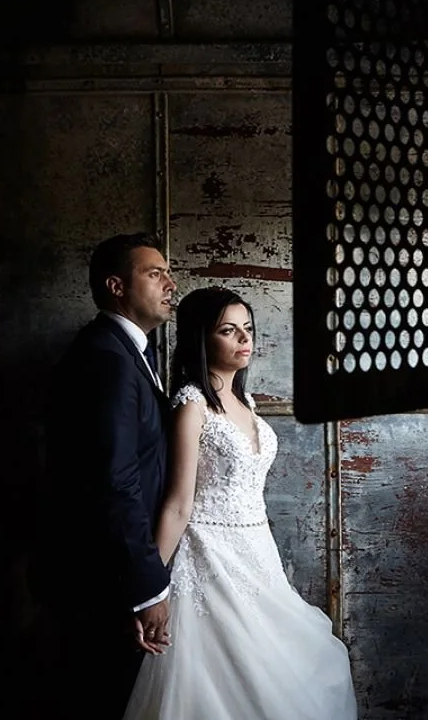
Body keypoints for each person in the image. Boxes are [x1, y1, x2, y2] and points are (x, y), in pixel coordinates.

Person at [124, 286, 358, 720]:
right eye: (228, 330)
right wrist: (149, 586)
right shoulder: (192, 406)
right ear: (201, 338)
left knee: (287, 670)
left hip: (258, 554)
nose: (244, 338)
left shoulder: (244, 401)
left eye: (247, 328)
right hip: (209, 556)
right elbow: (178, 504)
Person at [31, 233, 179, 719]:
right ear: (116, 286)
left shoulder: (129, 352)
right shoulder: (106, 359)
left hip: (109, 571)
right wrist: (147, 587)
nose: (170, 283)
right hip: (103, 578)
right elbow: (114, 481)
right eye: (154, 274)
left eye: (168, 272)